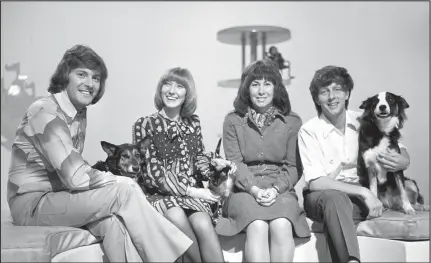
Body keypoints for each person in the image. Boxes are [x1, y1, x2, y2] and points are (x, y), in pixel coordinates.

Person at [7, 44, 192, 262]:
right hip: (32, 205)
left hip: (58, 197)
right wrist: (120, 181)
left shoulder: (78, 114)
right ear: (66, 76)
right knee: (124, 191)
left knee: (113, 223)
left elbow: (71, 170)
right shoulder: (44, 111)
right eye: (81, 74)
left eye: (95, 78)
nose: (90, 83)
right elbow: (75, 176)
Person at [298, 65, 411, 263]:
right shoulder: (309, 130)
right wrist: (365, 193)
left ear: (347, 92)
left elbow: (396, 144)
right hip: (321, 197)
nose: (331, 96)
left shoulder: (364, 120)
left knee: (341, 207)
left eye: (337, 89)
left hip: (357, 197)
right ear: (317, 98)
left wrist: (404, 160)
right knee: (336, 199)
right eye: (324, 92)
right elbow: (316, 182)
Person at [132, 67, 236, 262]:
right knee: (176, 217)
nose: (172, 91)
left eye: (179, 86)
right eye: (167, 84)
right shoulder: (144, 124)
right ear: (160, 89)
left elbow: (198, 161)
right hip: (159, 194)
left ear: (187, 94)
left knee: (203, 223)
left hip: (192, 195)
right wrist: (194, 191)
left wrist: (216, 164)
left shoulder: (193, 123)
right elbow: (151, 175)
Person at [215, 59, 311, 262]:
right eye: (255, 84)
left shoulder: (293, 121)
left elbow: (293, 167)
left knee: (281, 224)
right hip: (244, 190)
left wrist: (276, 189)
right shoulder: (232, 120)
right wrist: (255, 190)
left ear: (276, 88)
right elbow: (235, 163)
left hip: (281, 190)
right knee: (257, 224)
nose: (261, 90)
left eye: (267, 84)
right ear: (246, 88)